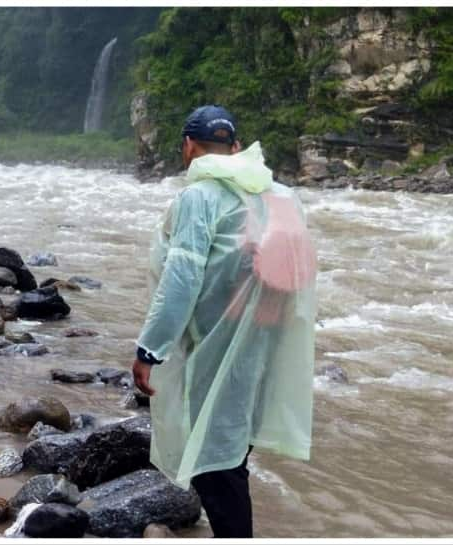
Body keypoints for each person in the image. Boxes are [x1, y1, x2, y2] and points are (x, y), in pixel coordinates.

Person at [132, 105, 318, 537]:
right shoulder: (282, 196)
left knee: (214, 464)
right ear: (236, 148)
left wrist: (150, 350)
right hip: (268, 337)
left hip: (215, 342)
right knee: (233, 450)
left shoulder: (200, 196)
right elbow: (298, 271)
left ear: (188, 148)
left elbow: (181, 277)